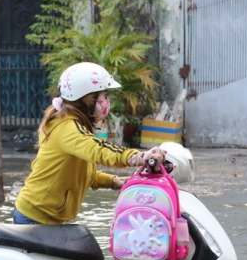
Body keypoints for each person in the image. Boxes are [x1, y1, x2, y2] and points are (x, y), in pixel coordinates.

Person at [13, 62, 165, 225]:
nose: (106, 101)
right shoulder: (68, 128)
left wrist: (113, 181)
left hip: (44, 215)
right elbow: (99, 150)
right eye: (103, 96)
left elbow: (81, 173)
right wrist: (138, 156)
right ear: (88, 99)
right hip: (35, 217)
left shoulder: (73, 125)